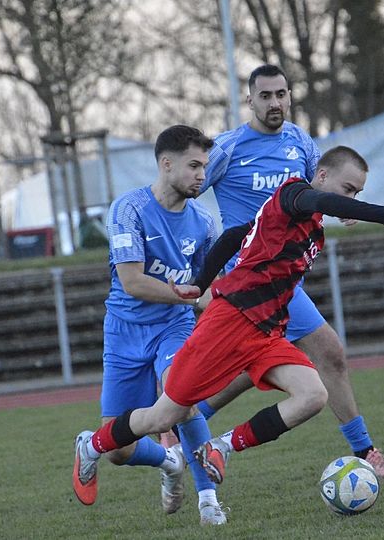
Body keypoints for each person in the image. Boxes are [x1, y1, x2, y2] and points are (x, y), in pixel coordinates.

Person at [73, 146, 384, 515]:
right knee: (163, 416)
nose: (351, 198)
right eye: (348, 189)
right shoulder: (294, 194)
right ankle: (92, 445)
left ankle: (221, 447)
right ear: (322, 176)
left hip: (266, 331)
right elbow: (321, 200)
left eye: (357, 193)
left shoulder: (306, 224)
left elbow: (234, 235)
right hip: (230, 321)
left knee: (313, 395)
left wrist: (199, 284)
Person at [195, 64, 384, 476]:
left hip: (284, 280)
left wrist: (348, 207)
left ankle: (184, 421)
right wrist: (200, 265)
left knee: (256, 364)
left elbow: (321, 190)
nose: (274, 102)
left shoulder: (299, 141)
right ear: (250, 100)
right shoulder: (227, 148)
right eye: (265, 95)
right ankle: (367, 453)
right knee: (329, 352)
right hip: (252, 277)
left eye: (281, 94)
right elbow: (187, 193)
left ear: (290, 96)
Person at [74, 125, 227, 525]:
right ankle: (169, 461)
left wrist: (224, 310)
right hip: (123, 332)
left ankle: (208, 501)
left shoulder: (204, 223)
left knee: (182, 397)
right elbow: (133, 282)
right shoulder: (128, 209)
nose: (202, 175)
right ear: (166, 164)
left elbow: (210, 289)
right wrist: (190, 296)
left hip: (173, 327)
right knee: (117, 450)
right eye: (194, 166)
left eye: (204, 166)